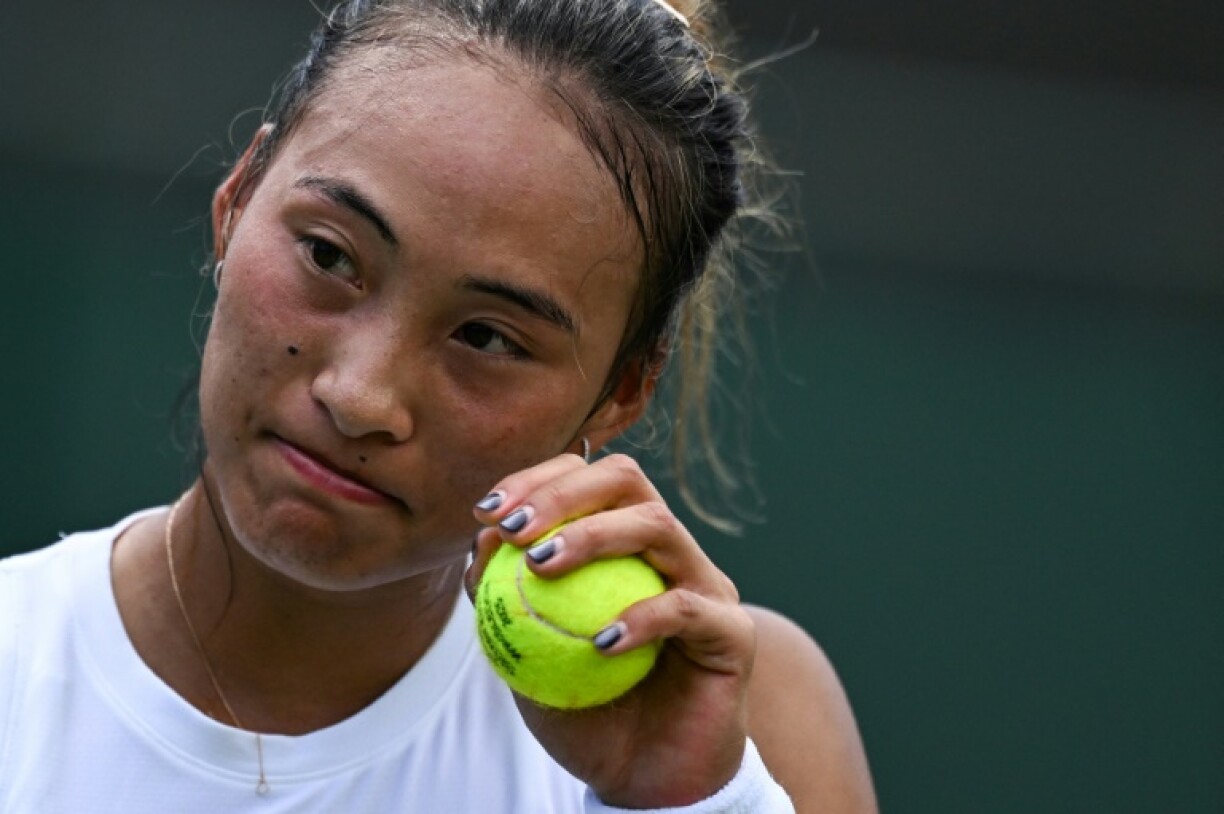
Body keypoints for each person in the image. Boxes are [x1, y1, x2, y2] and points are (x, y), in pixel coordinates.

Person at [0, 0, 876, 811]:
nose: (360, 398)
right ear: (236, 199)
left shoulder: (745, 726)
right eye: (330, 256)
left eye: (487, 339)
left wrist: (684, 807)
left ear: (623, 390)